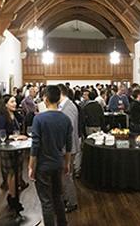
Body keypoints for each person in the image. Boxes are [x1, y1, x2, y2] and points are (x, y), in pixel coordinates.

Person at [29, 85, 73, 226]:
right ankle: (62, 223)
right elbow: (69, 145)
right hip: (58, 163)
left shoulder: (39, 119)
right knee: (58, 197)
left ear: (45, 99)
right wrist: (66, 163)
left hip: (43, 165)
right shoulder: (65, 119)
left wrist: (31, 166)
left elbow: (35, 145)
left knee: (46, 202)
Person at [0, 95, 28, 212]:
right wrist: (15, 136)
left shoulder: (14, 115)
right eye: (12, 102)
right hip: (8, 149)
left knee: (17, 172)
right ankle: (12, 197)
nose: (15, 104)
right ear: (5, 104)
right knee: (11, 173)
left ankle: (14, 196)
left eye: (15, 101)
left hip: (16, 148)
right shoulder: (2, 117)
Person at [58, 84, 80, 213]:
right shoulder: (65, 106)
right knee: (64, 175)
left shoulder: (69, 107)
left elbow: (69, 131)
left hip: (68, 148)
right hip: (66, 147)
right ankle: (65, 198)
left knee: (67, 175)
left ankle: (72, 202)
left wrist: (66, 150)